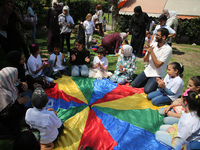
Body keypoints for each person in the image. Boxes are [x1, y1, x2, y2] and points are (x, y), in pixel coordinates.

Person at [132, 28, 172, 94]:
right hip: (147, 71)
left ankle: (153, 83)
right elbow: (145, 60)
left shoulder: (168, 49)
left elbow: (158, 65)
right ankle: (149, 82)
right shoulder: (153, 44)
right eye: (156, 34)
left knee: (147, 91)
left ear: (164, 37)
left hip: (157, 74)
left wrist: (152, 52)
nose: (155, 36)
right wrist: (148, 53)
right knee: (134, 85)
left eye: (158, 35)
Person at [0, 67, 29, 138]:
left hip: (18, 109)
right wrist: (18, 102)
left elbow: (19, 86)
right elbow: (5, 115)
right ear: (10, 78)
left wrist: (25, 84)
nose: (16, 79)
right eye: (15, 76)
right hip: (9, 123)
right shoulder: (2, 94)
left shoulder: (8, 83)